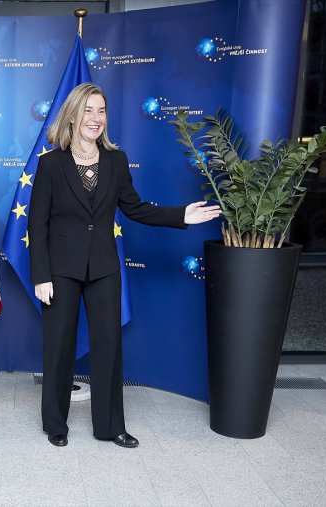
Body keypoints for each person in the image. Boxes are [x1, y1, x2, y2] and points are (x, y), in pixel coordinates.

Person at [28, 83, 221, 448]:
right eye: (88, 110)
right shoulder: (51, 163)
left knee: (109, 347)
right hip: (60, 269)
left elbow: (135, 208)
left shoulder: (116, 161)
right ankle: (55, 423)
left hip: (103, 267)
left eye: (101, 111)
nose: (95, 118)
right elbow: (37, 224)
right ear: (73, 115)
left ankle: (109, 426)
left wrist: (181, 215)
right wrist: (41, 275)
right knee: (58, 346)